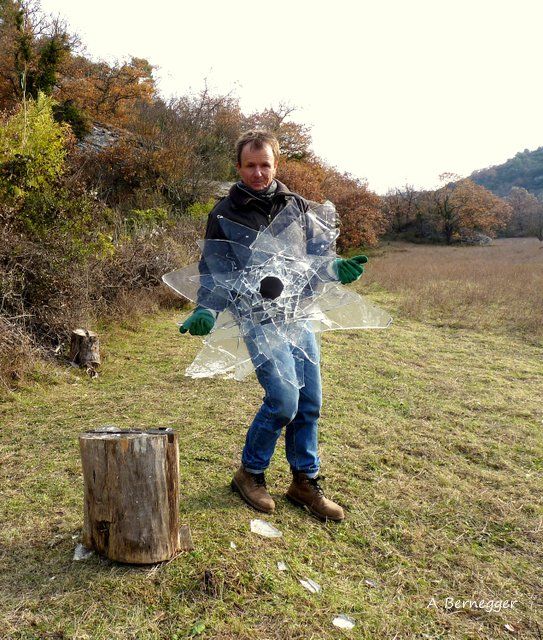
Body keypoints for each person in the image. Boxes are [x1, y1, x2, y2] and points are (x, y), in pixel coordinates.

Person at [180, 130, 366, 521]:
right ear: (239, 167)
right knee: (284, 400)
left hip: (298, 316)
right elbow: (213, 271)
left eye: (265, 164)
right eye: (251, 165)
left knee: (310, 403)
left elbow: (318, 255)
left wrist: (336, 268)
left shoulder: (296, 206)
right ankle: (250, 473)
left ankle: (304, 481)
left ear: (276, 165)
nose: (258, 173)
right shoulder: (224, 213)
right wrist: (206, 311)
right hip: (259, 322)